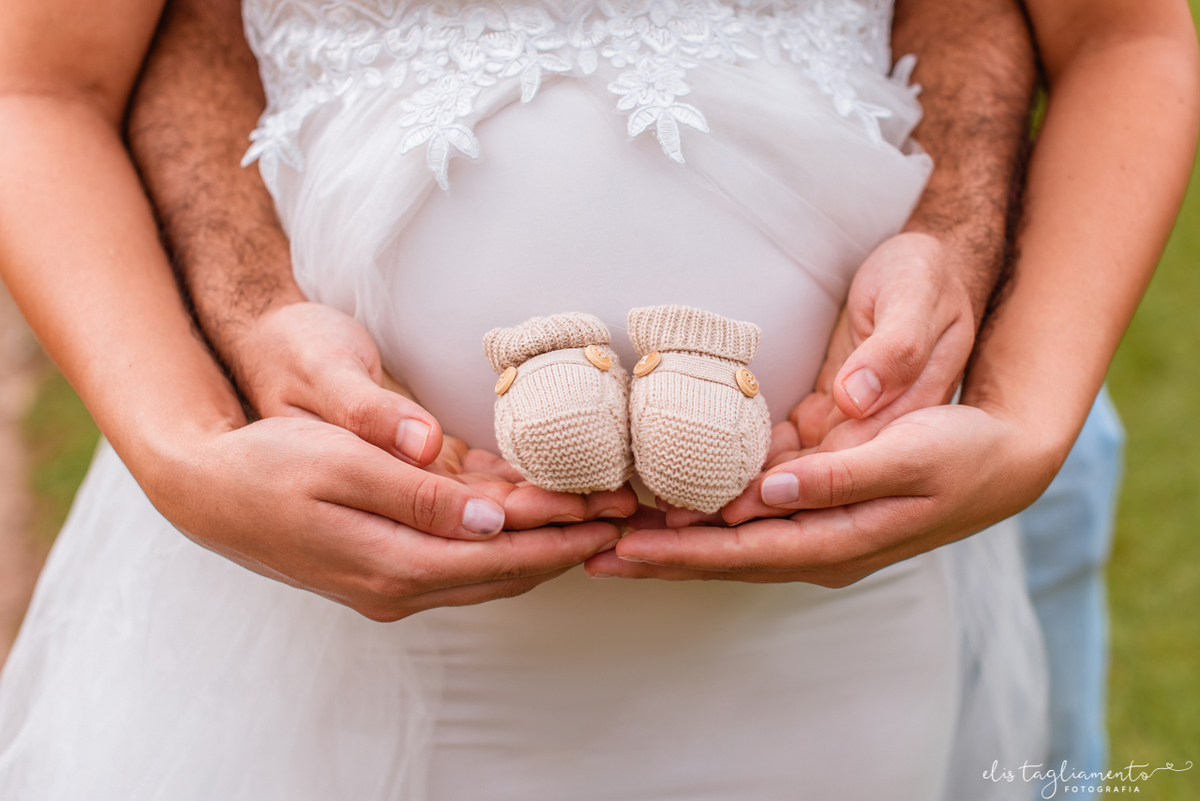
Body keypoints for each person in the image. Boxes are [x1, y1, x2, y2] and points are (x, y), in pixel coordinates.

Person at [0, 1, 1193, 800]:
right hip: (318, 631)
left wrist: (1025, 403)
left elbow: (1113, 31)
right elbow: (50, 77)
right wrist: (186, 444)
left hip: (825, 647)